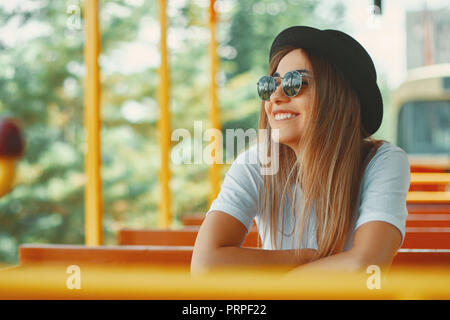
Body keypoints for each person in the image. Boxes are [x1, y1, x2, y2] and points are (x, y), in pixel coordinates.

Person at [191, 26, 411, 275]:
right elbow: (204, 266)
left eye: (297, 83)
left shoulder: (382, 162)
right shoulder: (257, 162)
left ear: (337, 97)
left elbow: (365, 265)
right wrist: (311, 258)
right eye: (269, 85)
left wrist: (279, 286)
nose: (276, 96)